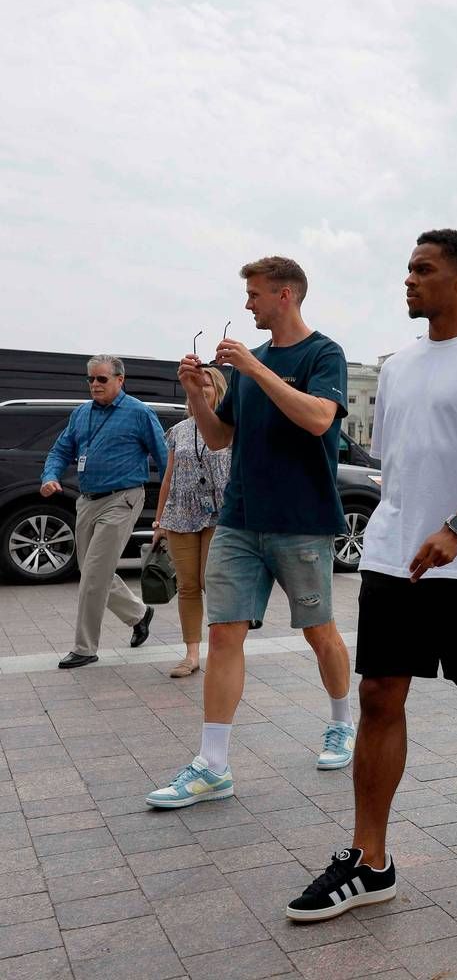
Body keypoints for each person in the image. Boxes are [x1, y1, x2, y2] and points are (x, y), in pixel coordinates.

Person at [286, 230, 457, 922]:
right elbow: (397, 466)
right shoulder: (398, 367)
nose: (408, 280)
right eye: (407, 268)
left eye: (423, 270)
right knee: (378, 694)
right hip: (394, 553)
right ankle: (370, 860)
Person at [145, 256, 355, 810]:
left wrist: (256, 370)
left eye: (255, 295)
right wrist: (196, 393)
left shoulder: (322, 353)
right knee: (223, 635)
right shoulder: (248, 365)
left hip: (302, 521)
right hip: (238, 519)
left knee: (319, 631)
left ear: (285, 296)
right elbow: (218, 439)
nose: (247, 305)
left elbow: (318, 419)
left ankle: (341, 722)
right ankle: (213, 765)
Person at [41, 355, 167, 668]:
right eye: (91, 379)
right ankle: (139, 614)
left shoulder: (139, 412)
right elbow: (60, 450)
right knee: (92, 571)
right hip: (87, 500)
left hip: (122, 499)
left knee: (94, 575)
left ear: (120, 380)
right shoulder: (81, 414)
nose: (95, 385)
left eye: (102, 379)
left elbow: (166, 459)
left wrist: (170, 506)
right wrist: (50, 476)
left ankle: (84, 647)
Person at [152, 365, 232, 677]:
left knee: (209, 581)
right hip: (180, 514)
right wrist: (159, 522)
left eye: (207, 385)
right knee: (186, 586)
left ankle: (224, 648)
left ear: (219, 391)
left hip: (220, 513)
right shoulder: (178, 431)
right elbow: (168, 477)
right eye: (195, 385)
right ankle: (191, 654)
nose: (200, 389)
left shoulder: (230, 426)